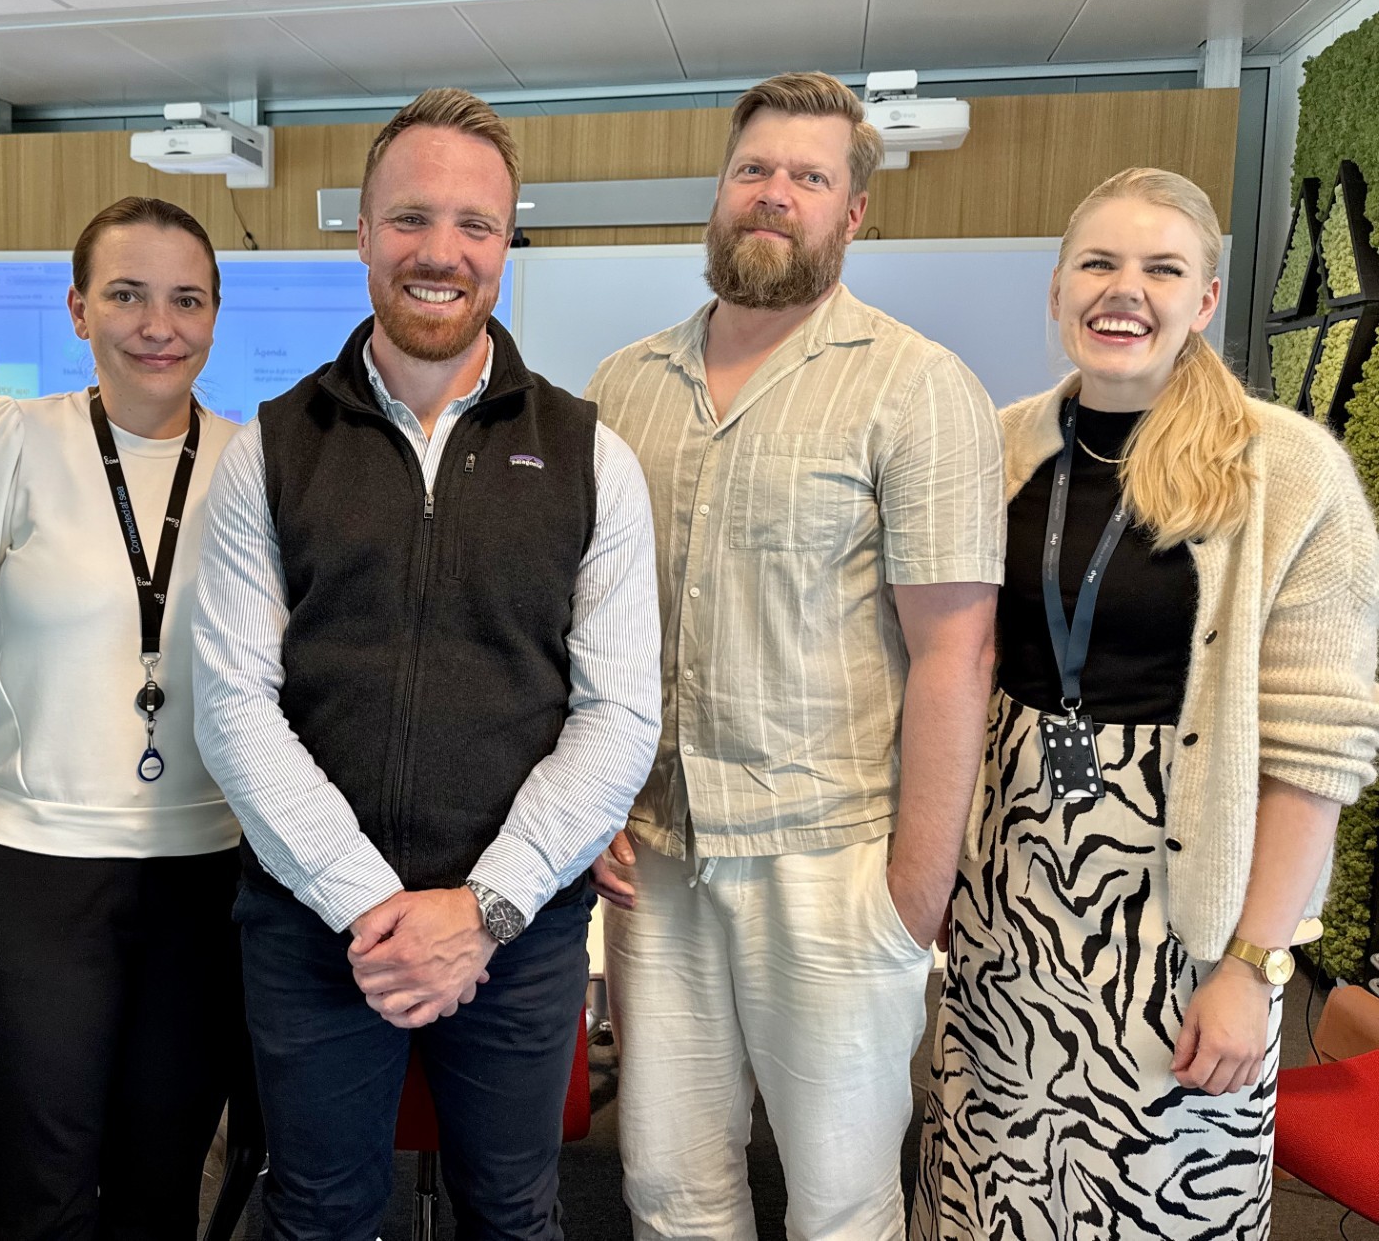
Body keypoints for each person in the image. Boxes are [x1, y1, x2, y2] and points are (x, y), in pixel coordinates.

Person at [193, 87, 661, 1239]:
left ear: (508, 246)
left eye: (475, 225)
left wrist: (482, 912)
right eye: (409, 220)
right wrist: (373, 908)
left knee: (512, 1210)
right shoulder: (275, 446)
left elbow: (619, 716)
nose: (440, 253)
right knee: (319, 1211)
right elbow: (233, 707)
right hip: (313, 924)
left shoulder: (593, 454)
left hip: (518, 928)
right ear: (360, 233)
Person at [910, 168, 1379, 1240]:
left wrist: (1254, 968)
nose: (1126, 290)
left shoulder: (1287, 472)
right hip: (1007, 900)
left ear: (1204, 301)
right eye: (1100, 263)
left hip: (1184, 908)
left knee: (1160, 1194)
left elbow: (1319, 753)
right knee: (993, 1186)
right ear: (1058, 287)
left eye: (1162, 268)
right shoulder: (998, 444)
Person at [586, 70, 1004, 1241]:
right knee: (669, 1187)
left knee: (838, 1200)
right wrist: (595, 800)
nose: (774, 195)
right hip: (658, 858)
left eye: (809, 178)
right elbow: (593, 623)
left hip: (831, 861)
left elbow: (954, 651)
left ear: (853, 213)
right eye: (753, 170)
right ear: (719, 191)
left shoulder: (918, 388)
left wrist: (915, 891)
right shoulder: (622, 388)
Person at [0, 196, 248, 1239]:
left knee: (162, 1185)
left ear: (214, 316)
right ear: (76, 309)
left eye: (186, 298)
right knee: (45, 1188)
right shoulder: (5, 442)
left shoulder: (255, 465)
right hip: (33, 867)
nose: (159, 323)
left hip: (207, 868)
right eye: (127, 294)